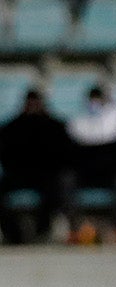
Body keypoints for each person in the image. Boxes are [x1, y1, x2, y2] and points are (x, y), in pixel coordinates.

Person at [62, 85, 116, 246]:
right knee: (66, 179)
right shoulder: (78, 122)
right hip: (85, 173)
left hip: (109, 172)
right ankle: (73, 230)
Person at [0, 88, 69, 244]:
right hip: (18, 175)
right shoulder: (12, 127)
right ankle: (12, 233)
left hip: (45, 175)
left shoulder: (54, 126)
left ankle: (42, 230)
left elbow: (63, 155)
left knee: (55, 191)